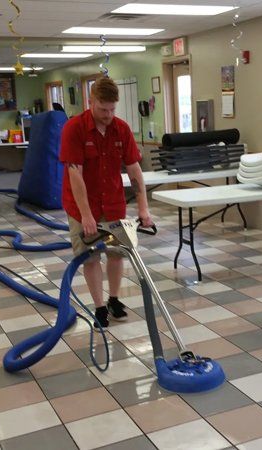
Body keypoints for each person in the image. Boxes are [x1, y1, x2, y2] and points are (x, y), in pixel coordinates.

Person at [59, 77, 153, 327]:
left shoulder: (121, 129)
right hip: (81, 205)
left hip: (113, 203)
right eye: (103, 109)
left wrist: (143, 207)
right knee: (90, 257)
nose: (108, 115)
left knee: (117, 253)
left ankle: (113, 299)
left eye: (112, 109)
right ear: (91, 102)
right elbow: (74, 173)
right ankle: (99, 307)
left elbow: (134, 169)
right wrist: (86, 215)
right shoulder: (74, 128)